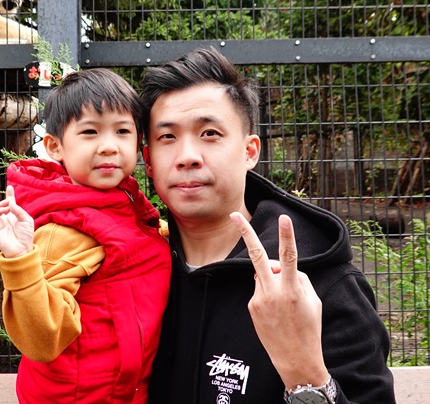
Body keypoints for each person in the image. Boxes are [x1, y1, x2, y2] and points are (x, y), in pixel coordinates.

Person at [141, 47, 396, 404]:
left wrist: (303, 370)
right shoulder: (131, 272)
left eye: (210, 133)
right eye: (167, 137)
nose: (187, 157)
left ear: (250, 152)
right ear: (148, 161)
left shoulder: (321, 286)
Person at [0, 68, 171, 404]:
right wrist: (20, 262)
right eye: (90, 132)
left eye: (122, 131)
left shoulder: (121, 200)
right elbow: (43, 341)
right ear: (55, 147)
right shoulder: (64, 231)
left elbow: (134, 245)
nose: (108, 147)